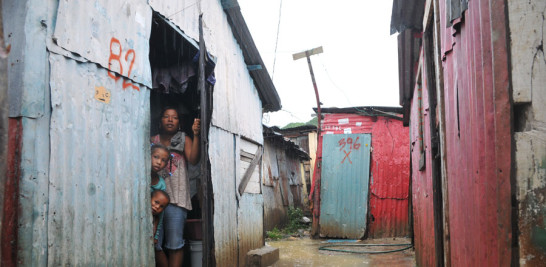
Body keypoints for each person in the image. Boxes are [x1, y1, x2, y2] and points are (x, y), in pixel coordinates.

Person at [151, 106, 200, 267]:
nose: (170, 120)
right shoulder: (153, 140)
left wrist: (196, 134)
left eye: (174, 117)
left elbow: (193, 159)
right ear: (160, 121)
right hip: (155, 199)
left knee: (175, 244)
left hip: (177, 199)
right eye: (166, 116)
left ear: (179, 122)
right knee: (154, 243)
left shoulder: (184, 138)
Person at [151, 190, 170, 267]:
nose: (157, 207)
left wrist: (155, 237)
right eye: (156, 202)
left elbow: (156, 229)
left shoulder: (157, 218)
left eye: (161, 206)